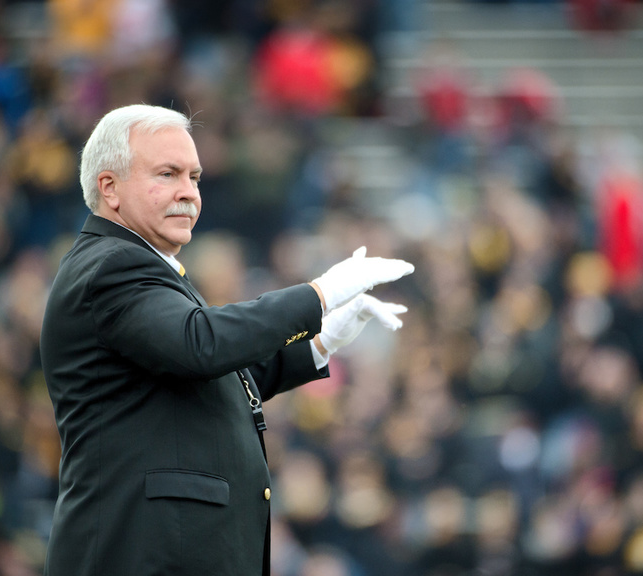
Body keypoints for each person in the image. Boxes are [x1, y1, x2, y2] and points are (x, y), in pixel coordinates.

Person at [39, 103, 414, 576]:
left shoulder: (142, 266)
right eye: (168, 174)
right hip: (139, 555)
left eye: (194, 177)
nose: (189, 194)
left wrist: (320, 342)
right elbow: (202, 344)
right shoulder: (112, 266)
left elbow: (214, 373)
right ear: (109, 188)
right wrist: (318, 295)